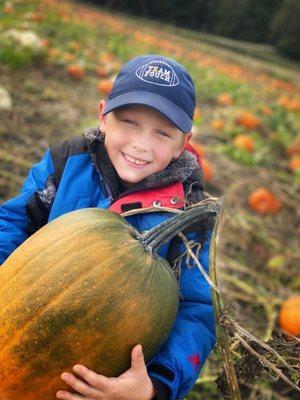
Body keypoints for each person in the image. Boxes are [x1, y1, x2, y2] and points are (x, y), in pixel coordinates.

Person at [0, 55, 216, 400]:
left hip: (98, 373)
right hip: (21, 327)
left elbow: (197, 310)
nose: (141, 144)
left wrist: (154, 386)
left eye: (162, 132)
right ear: (103, 116)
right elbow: (13, 222)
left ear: (183, 142)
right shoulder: (65, 162)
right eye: (129, 122)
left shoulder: (190, 213)